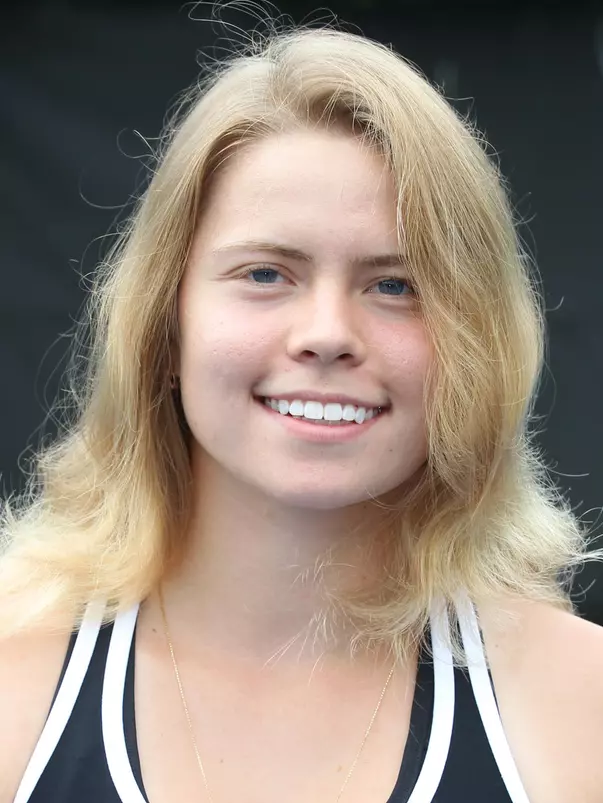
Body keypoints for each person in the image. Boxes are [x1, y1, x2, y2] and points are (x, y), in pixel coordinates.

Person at [1, 20, 602, 803]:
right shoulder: (16, 677)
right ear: (165, 319)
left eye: (396, 285)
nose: (326, 334)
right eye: (264, 273)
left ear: (475, 342)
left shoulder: (578, 707)